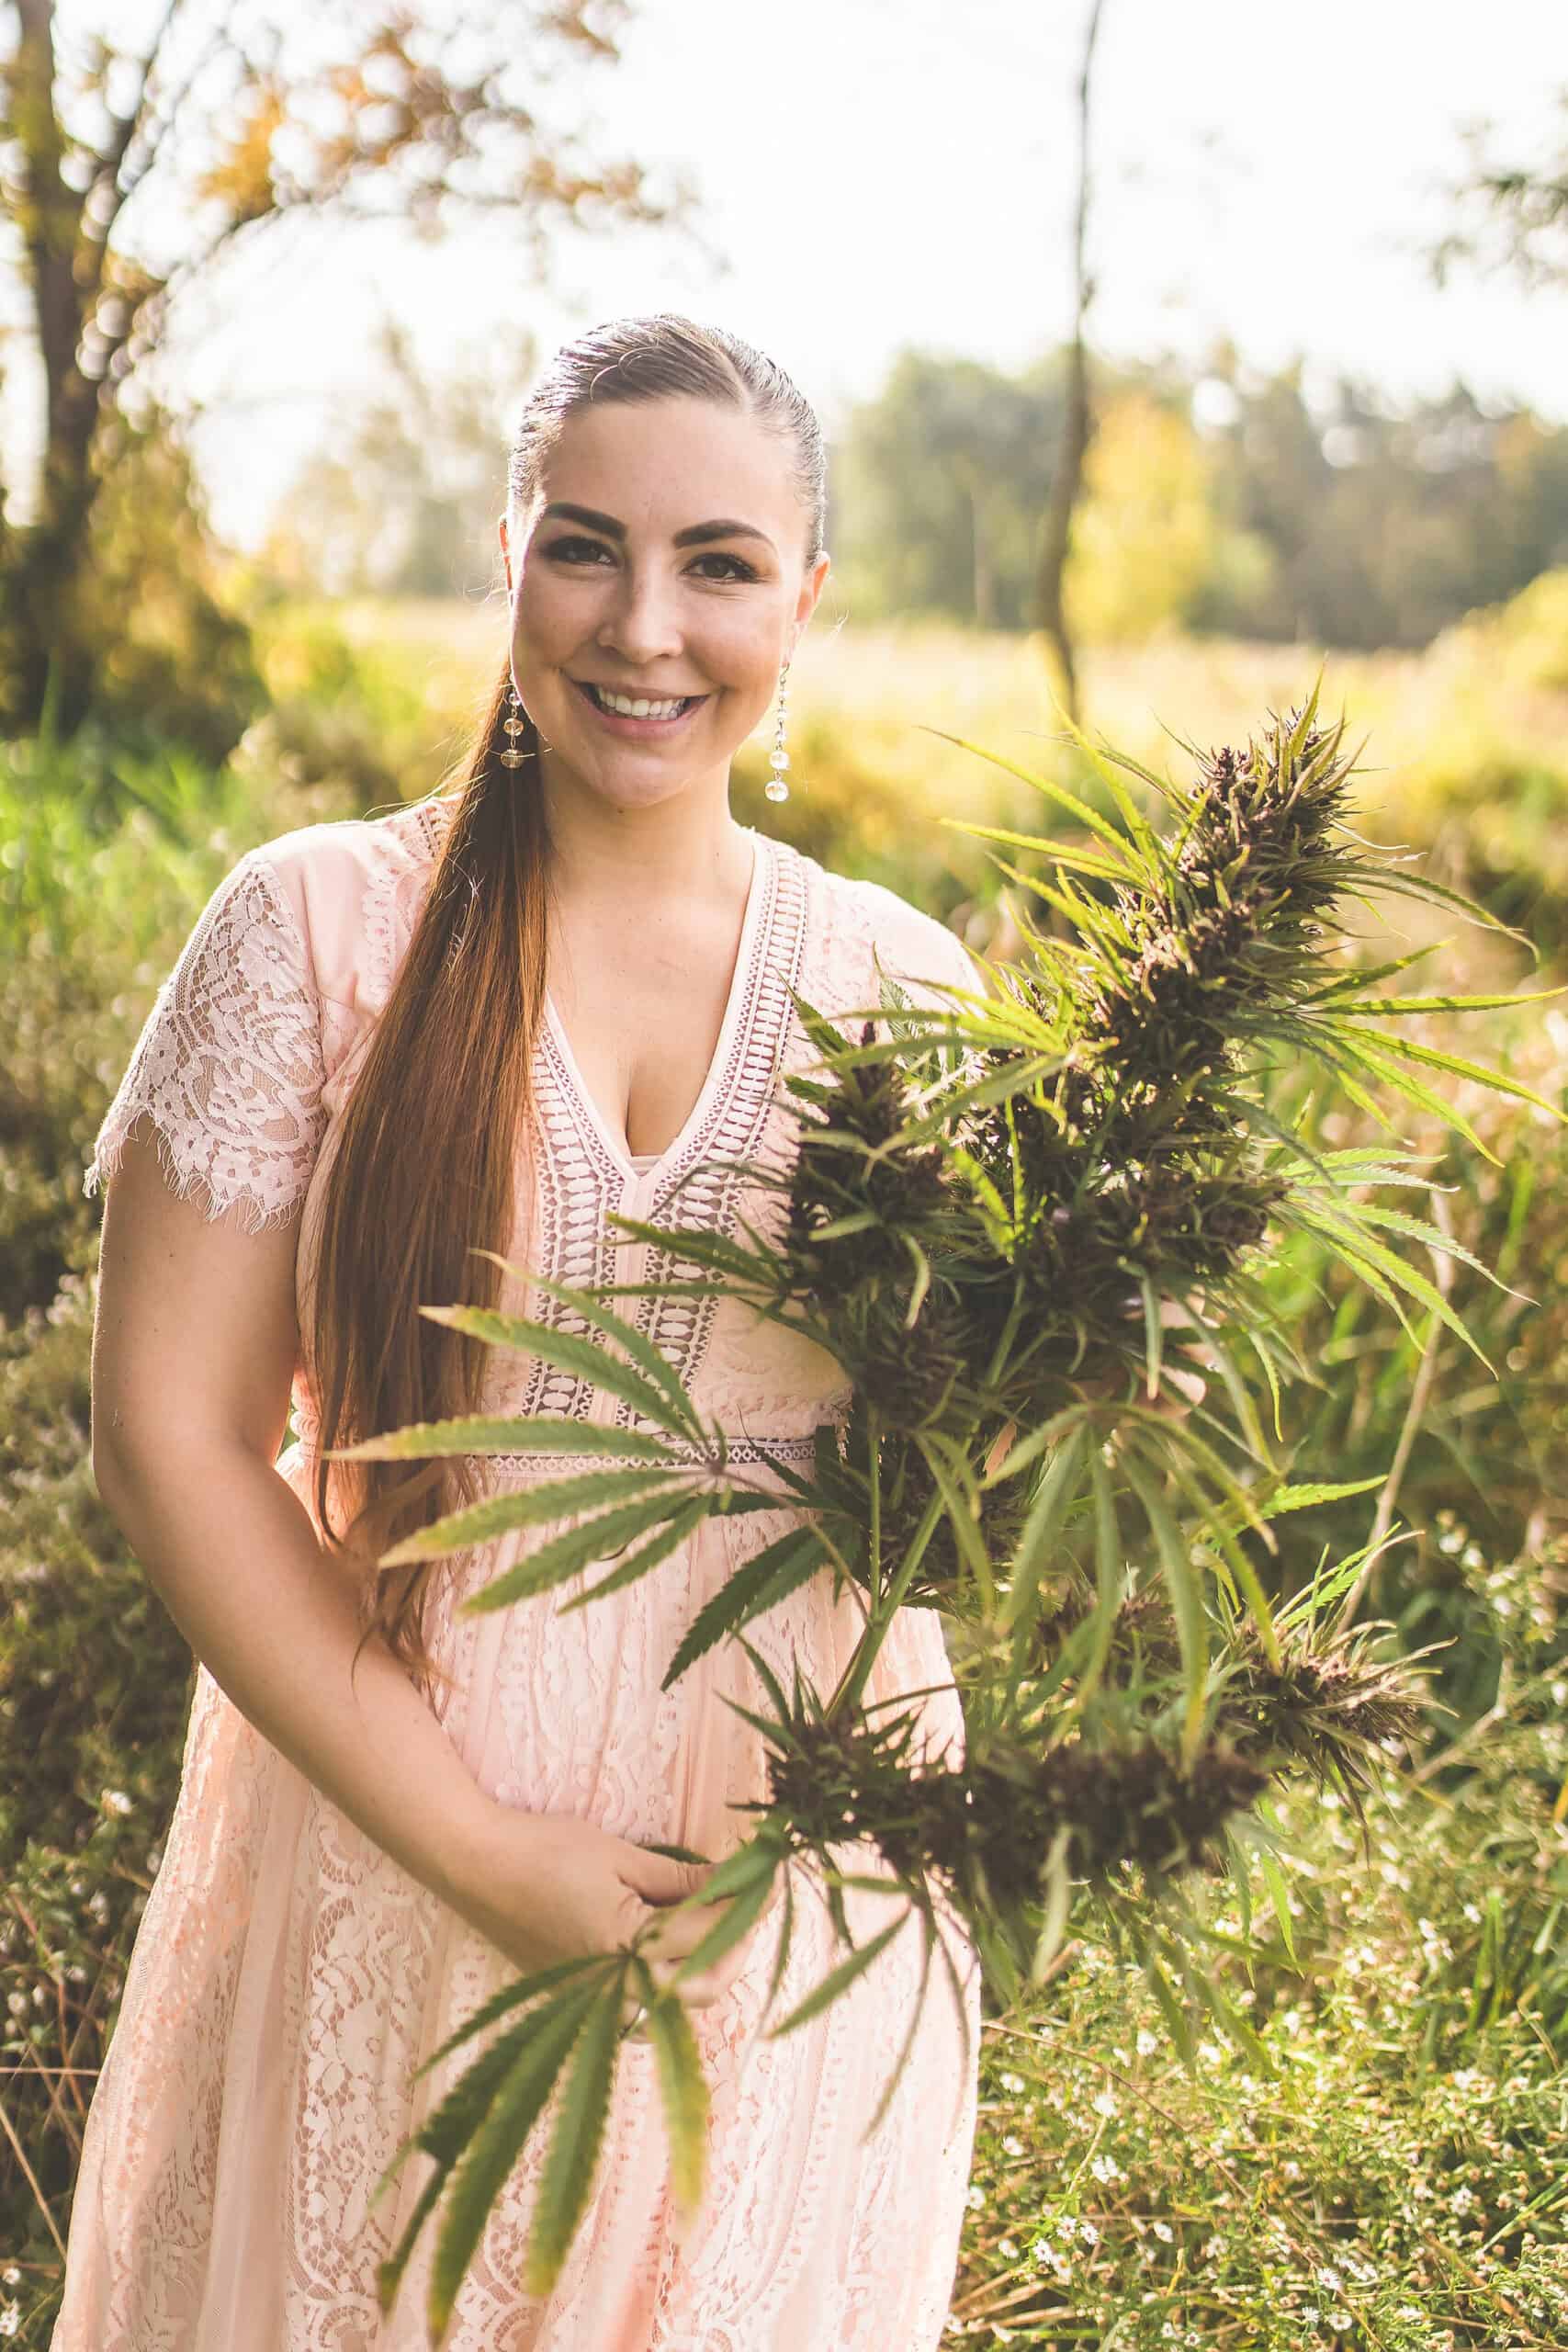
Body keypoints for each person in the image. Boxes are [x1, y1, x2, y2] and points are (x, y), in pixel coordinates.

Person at [51, 314, 986, 2351]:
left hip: (783, 1924)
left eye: (719, 564)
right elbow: (169, 1435)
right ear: (507, 554)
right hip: (397, 1854)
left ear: (803, 600)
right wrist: (476, 1844)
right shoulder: (316, 928)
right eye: (586, 547)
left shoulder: (906, 989)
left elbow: (953, 1486)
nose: (645, 626)